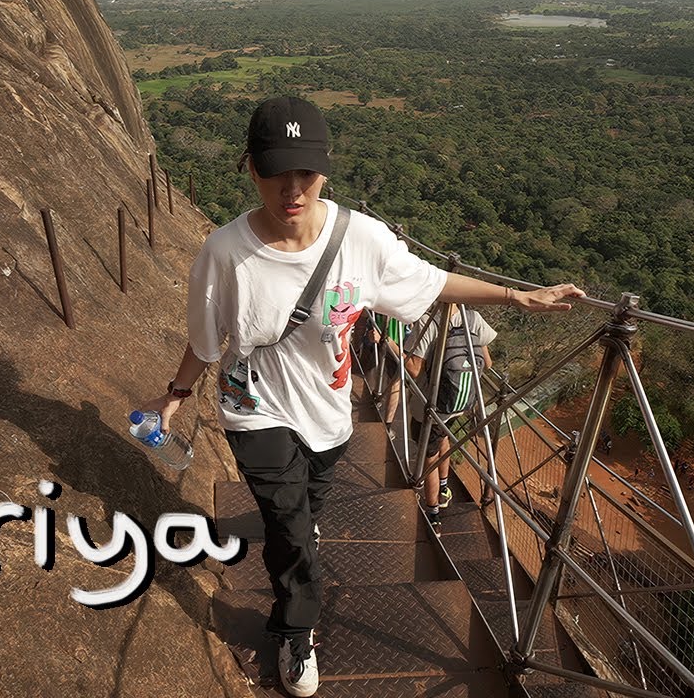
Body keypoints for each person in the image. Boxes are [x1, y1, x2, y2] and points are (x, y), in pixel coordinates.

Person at [139, 96, 585, 697]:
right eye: (276, 172)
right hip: (255, 410)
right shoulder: (224, 253)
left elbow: (431, 281)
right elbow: (206, 337)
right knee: (289, 528)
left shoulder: (362, 240)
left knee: (307, 507)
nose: (292, 189)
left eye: (305, 172)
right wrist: (176, 393)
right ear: (251, 169)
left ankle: (301, 539)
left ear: (324, 170)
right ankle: (297, 632)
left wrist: (516, 296)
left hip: (330, 412)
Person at [405, 304, 498, 535]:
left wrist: (390, 344)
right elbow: (487, 363)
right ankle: (445, 488)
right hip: (460, 403)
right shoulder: (473, 317)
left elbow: (414, 369)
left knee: (429, 457)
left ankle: (433, 513)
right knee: (443, 438)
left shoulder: (429, 321)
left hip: (431, 406)